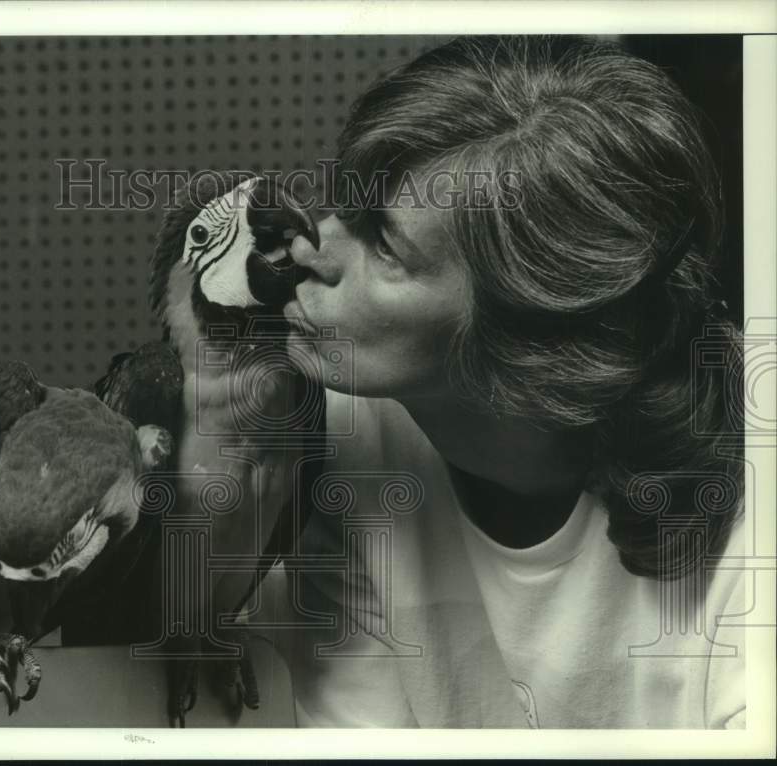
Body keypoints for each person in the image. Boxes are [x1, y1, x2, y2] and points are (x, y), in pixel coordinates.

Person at [274, 36, 746, 728]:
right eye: (344, 202)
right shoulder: (342, 434)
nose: (306, 247)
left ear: (531, 345)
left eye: (384, 244)